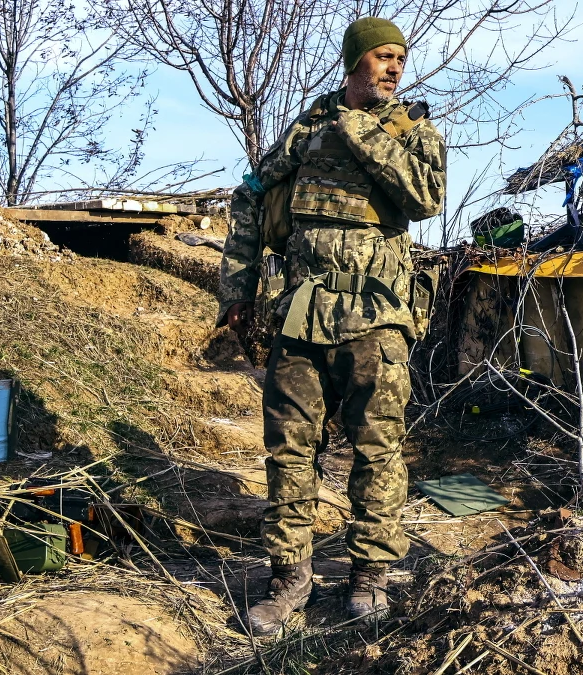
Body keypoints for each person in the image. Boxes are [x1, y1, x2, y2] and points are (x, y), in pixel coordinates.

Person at [217, 17, 446, 635]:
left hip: (377, 317)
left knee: (377, 449)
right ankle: (289, 578)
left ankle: (369, 575)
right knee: (289, 449)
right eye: (382, 56)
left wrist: (361, 127)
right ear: (354, 62)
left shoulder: (413, 130)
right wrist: (236, 289)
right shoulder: (306, 128)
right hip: (301, 314)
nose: (394, 67)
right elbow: (249, 195)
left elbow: (425, 198)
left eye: (400, 58)